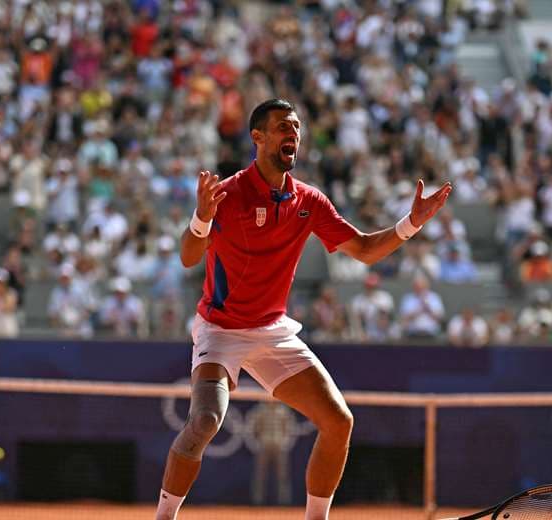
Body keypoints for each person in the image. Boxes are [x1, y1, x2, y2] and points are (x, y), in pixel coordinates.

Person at [155, 99, 451, 520]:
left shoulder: (309, 200)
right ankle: (163, 517)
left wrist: (412, 223)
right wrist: (201, 219)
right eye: (281, 126)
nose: (292, 132)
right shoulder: (230, 194)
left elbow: (365, 249)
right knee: (204, 422)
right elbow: (188, 256)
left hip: (273, 331)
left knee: (338, 422)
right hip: (220, 331)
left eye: (295, 126)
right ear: (258, 137)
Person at [250, 401, 297, 506]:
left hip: (280, 447)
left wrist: (285, 443)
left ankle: (284, 502)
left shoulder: (283, 411)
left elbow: (290, 428)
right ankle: (258, 501)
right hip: (264, 446)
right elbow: (253, 427)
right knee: (260, 475)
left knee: (283, 475)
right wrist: (257, 443)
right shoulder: (260, 410)